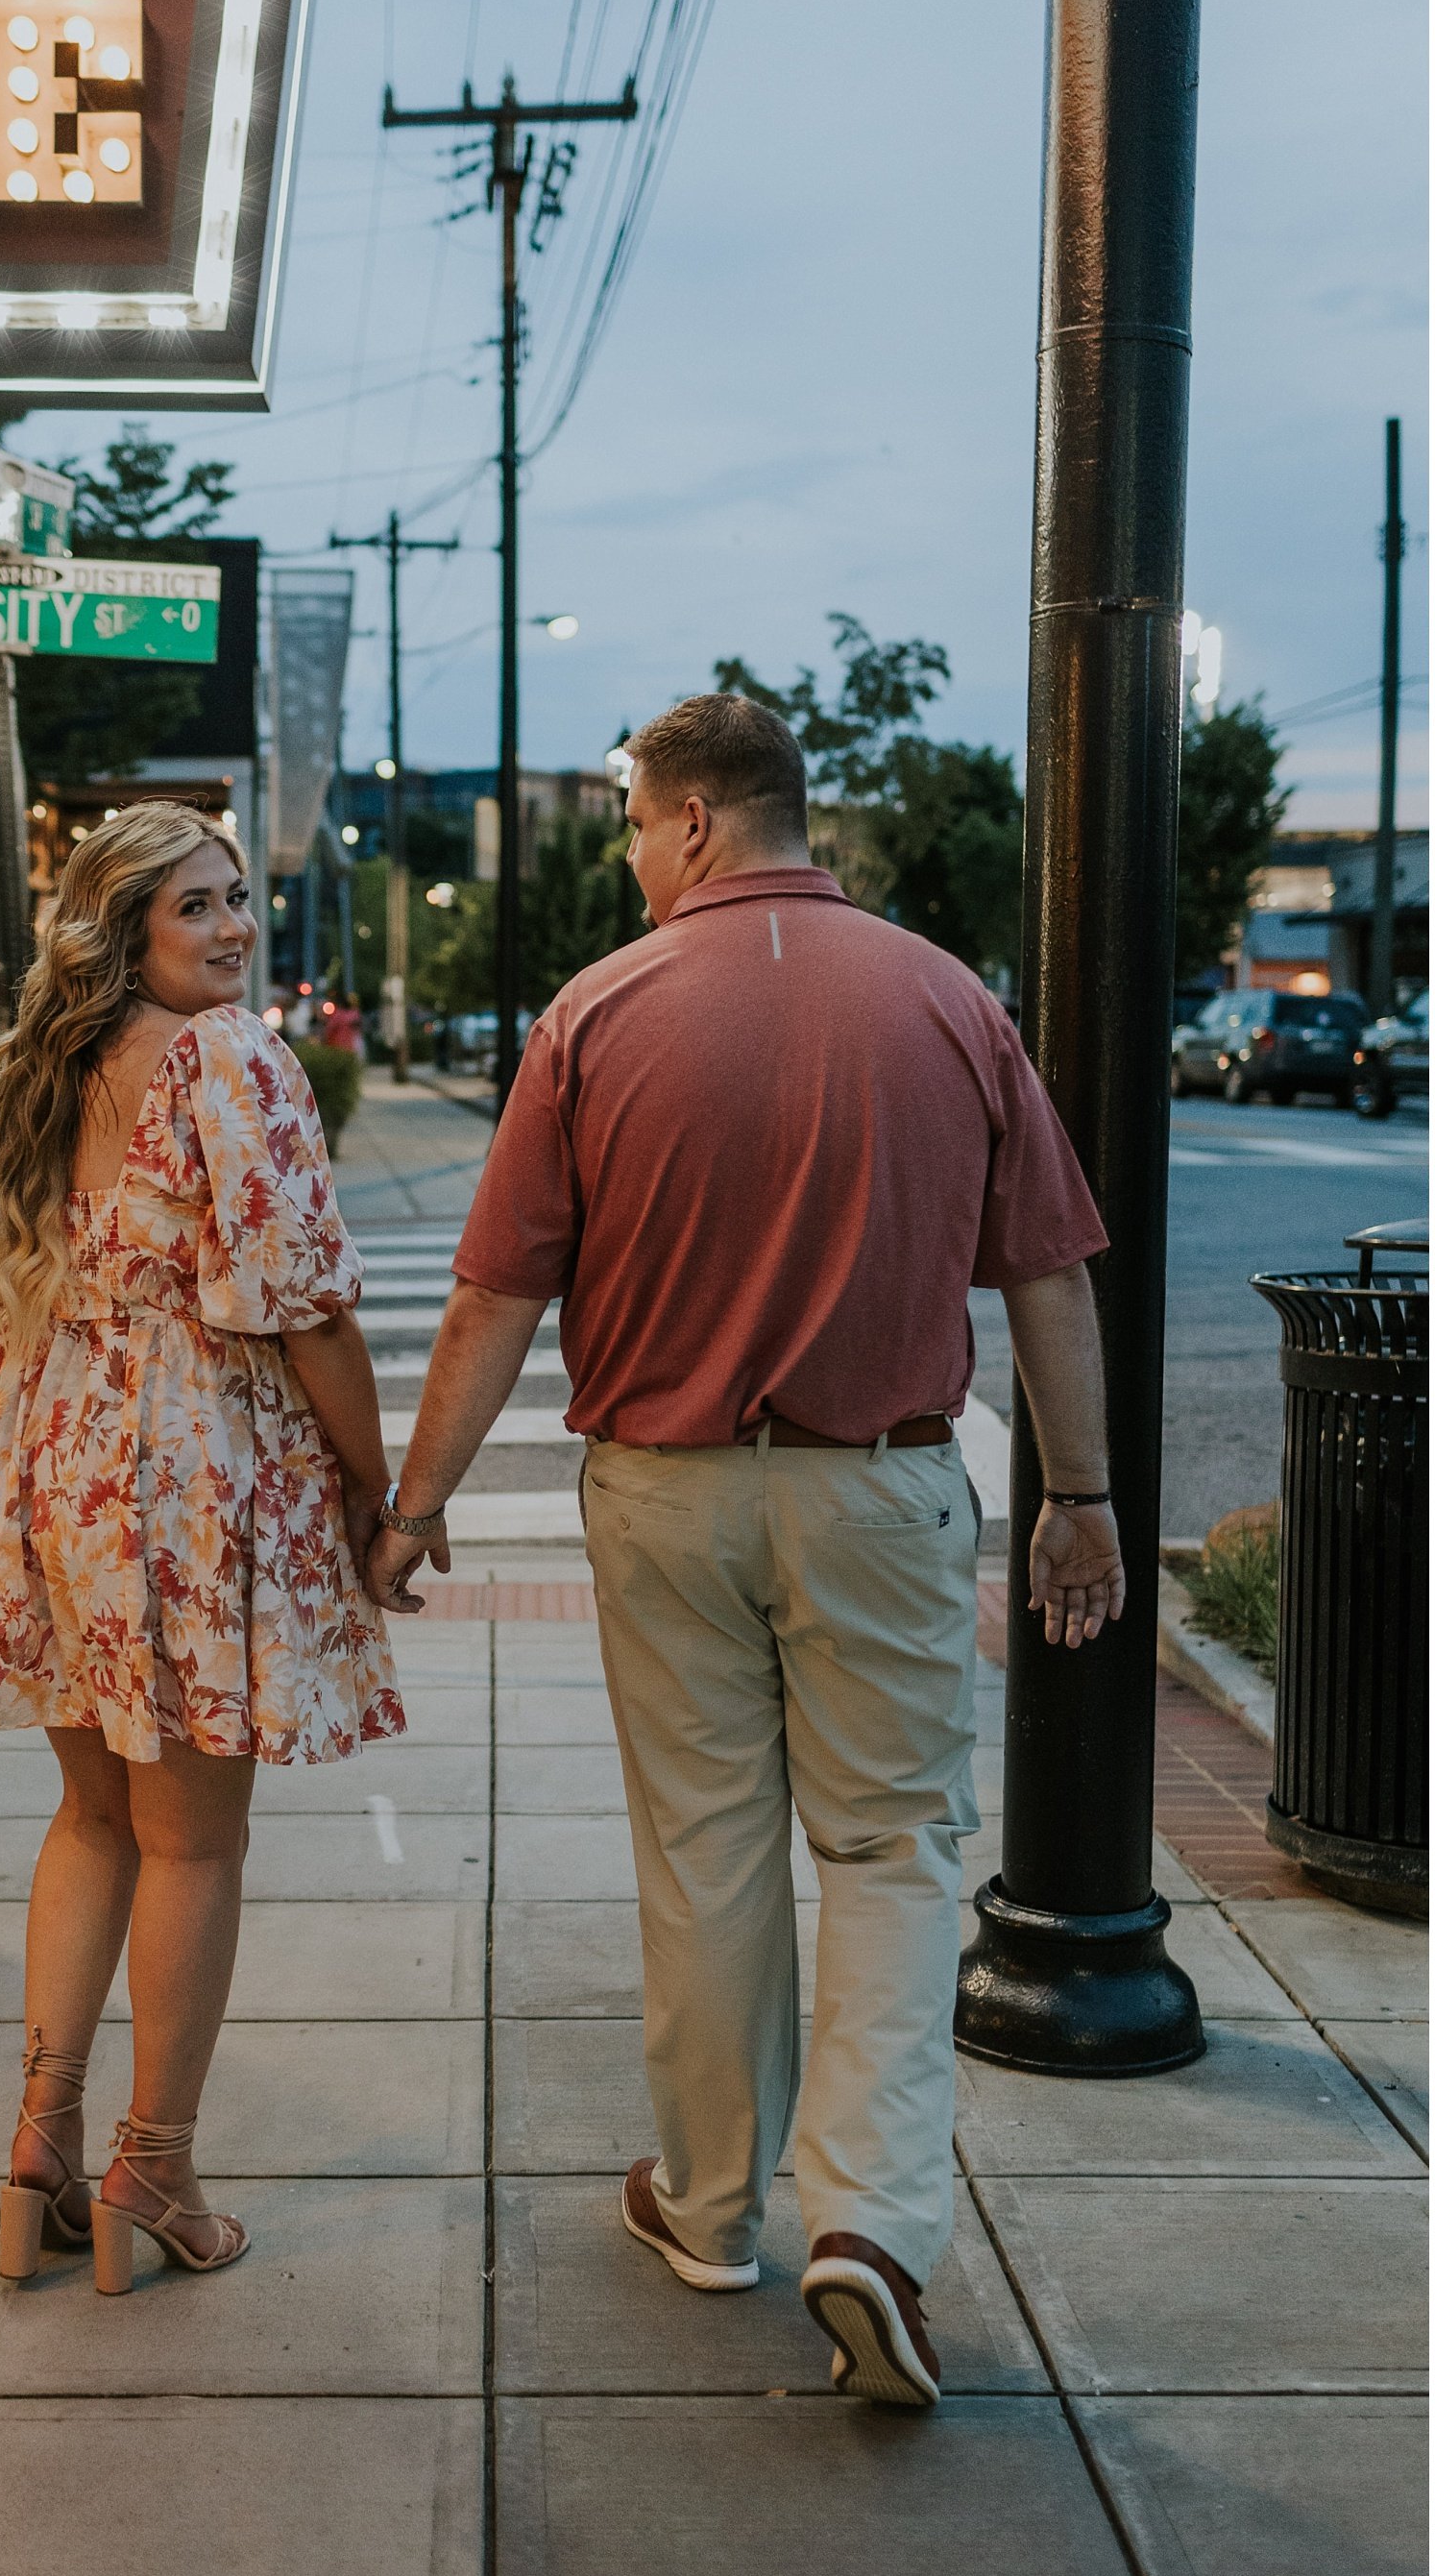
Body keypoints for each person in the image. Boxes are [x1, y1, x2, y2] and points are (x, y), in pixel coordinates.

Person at [366, 693, 1122, 2407]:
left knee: (707, 1856)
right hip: (881, 1491)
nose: (632, 854)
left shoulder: (597, 1012)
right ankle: (869, 2225)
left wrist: (414, 1511)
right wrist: (1077, 1500)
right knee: (889, 1857)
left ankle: (709, 2212)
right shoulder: (950, 999)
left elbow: (495, 1294)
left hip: (665, 1493)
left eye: (635, 822)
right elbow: (1049, 1276)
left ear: (695, 820)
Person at [0, 803, 401, 2295]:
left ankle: (44, 2142)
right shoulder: (231, 1060)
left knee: (95, 1820)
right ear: (126, 931)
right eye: (194, 908)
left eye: (235, 900)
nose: (230, 928)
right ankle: (153, 2171)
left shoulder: (63, 1063)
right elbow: (307, 1308)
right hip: (177, 1475)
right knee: (194, 1840)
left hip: (49, 1456)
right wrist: (383, 1493)